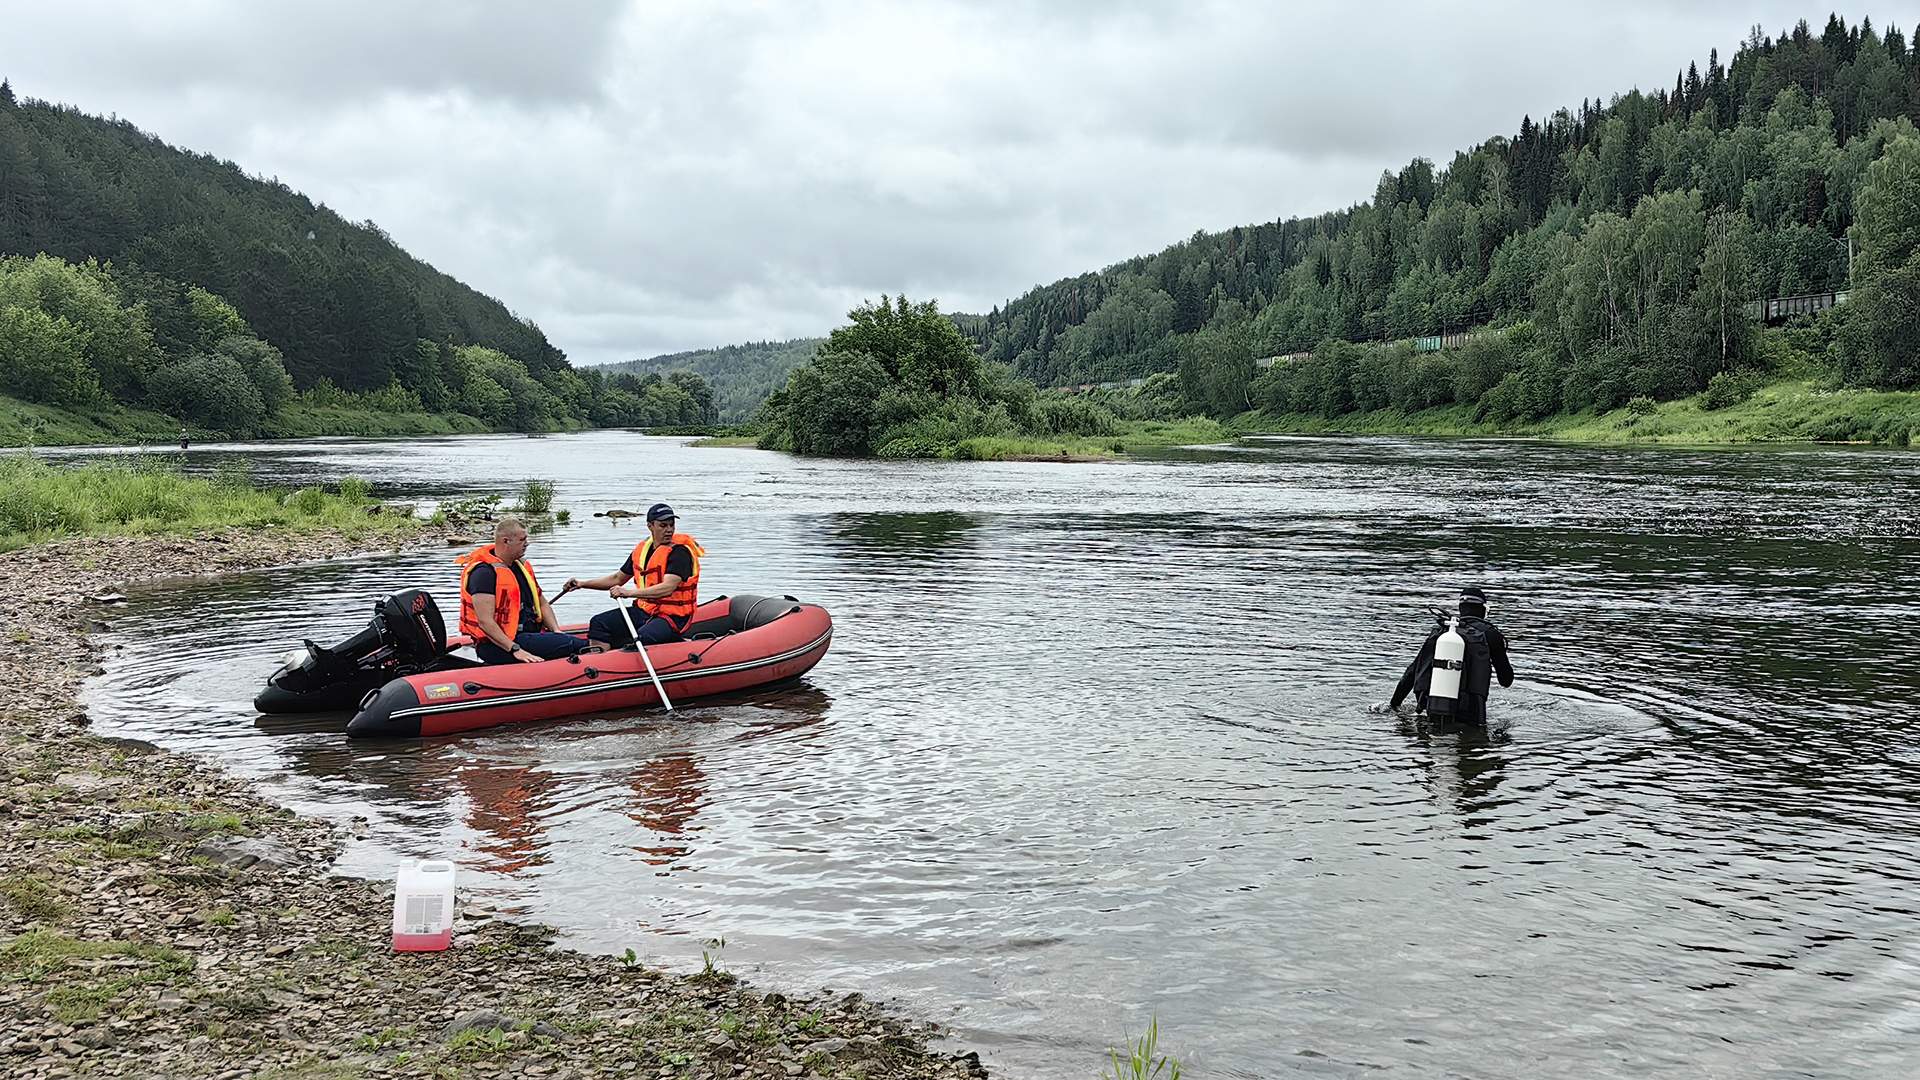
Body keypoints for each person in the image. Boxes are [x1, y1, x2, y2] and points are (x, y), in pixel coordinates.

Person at [567, 503, 705, 650]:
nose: (669, 530)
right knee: (599, 623)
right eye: (663, 525)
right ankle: (599, 664)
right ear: (650, 526)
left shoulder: (680, 553)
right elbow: (617, 579)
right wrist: (582, 584)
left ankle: (677, 644)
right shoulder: (642, 552)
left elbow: (667, 588)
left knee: (643, 637)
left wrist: (628, 593)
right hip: (645, 611)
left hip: (673, 617)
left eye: (671, 525)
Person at [455, 518, 589, 664]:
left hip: (526, 634)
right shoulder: (484, 573)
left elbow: (542, 603)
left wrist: (556, 631)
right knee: (577, 645)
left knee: (566, 639)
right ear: (506, 541)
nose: (527, 544)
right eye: (522, 540)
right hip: (498, 644)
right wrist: (515, 649)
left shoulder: (521, 567)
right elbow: (485, 621)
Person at [1388, 586, 1514, 723]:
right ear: (1483, 609)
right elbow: (1506, 680)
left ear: (1461, 608)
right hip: (1471, 712)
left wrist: (1394, 705)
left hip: (1432, 706)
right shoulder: (1490, 634)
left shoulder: (1441, 632)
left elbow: (1411, 673)